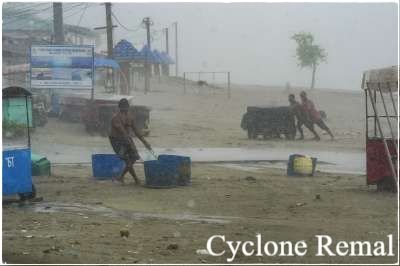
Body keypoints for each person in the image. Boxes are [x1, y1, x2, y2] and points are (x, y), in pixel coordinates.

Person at [109, 98, 152, 184]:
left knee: (134, 157)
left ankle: (121, 177)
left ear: (128, 107)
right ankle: (132, 179)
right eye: (123, 108)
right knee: (127, 160)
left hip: (126, 139)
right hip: (116, 141)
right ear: (119, 108)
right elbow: (122, 132)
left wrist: (145, 143)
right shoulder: (115, 118)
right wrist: (130, 143)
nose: (125, 110)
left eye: (126, 108)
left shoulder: (130, 117)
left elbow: (137, 132)